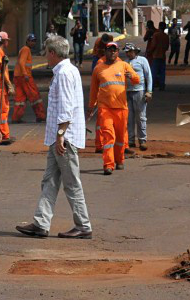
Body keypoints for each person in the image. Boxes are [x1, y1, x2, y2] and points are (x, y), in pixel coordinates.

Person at [15, 36, 93, 239]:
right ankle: (41, 223)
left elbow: (66, 108)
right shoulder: (67, 71)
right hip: (58, 137)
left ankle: (83, 225)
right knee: (49, 181)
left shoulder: (64, 73)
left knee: (71, 183)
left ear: (52, 53)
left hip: (63, 138)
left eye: (46, 52)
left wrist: (60, 135)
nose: (45, 56)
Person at [90, 42, 140, 174]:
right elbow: (93, 90)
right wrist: (91, 105)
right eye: (109, 50)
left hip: (121, 108)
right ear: (105, 52)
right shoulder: (98, 69)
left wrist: (132, 77)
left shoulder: (124, 65)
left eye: (114, 50)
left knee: (120, 138)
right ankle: (108, 164)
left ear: (118, 52)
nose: (112, 52)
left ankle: (120, 160)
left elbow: (137, 79)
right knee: (108, 136)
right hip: (105, 108)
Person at [123, 43, 152, 152]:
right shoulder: (124, 63)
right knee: (129, 117)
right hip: (127, 91)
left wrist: (149, 91)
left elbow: (148, 75)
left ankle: (142, 140)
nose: (128, 53)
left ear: (135, 51)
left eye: (130, 51)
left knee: (141, 117)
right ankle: (130, 140)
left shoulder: (142, 60)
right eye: (126, 52)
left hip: (139, 91)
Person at [13, 34, 47, 123]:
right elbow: (21, 62)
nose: (33, 42)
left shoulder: (23, 49)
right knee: (35, 96)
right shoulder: (26, 49)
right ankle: (41, 116)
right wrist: (25, 74)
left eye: (34, 41)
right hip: (25, 77)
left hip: (18, 77)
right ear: (27, 41)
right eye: (31, 40)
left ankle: (16, 118)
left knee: (20, 98)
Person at [147, 22, 169, 90]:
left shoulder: (156, 35)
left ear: (159, 27)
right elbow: (167, 47)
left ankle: (152, 86)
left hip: (156, 55)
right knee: (162, 72)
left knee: (154, 71)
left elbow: (153, 45)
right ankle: (161, 85)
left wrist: (149, 51)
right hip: (163, 56)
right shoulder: (166, 36)